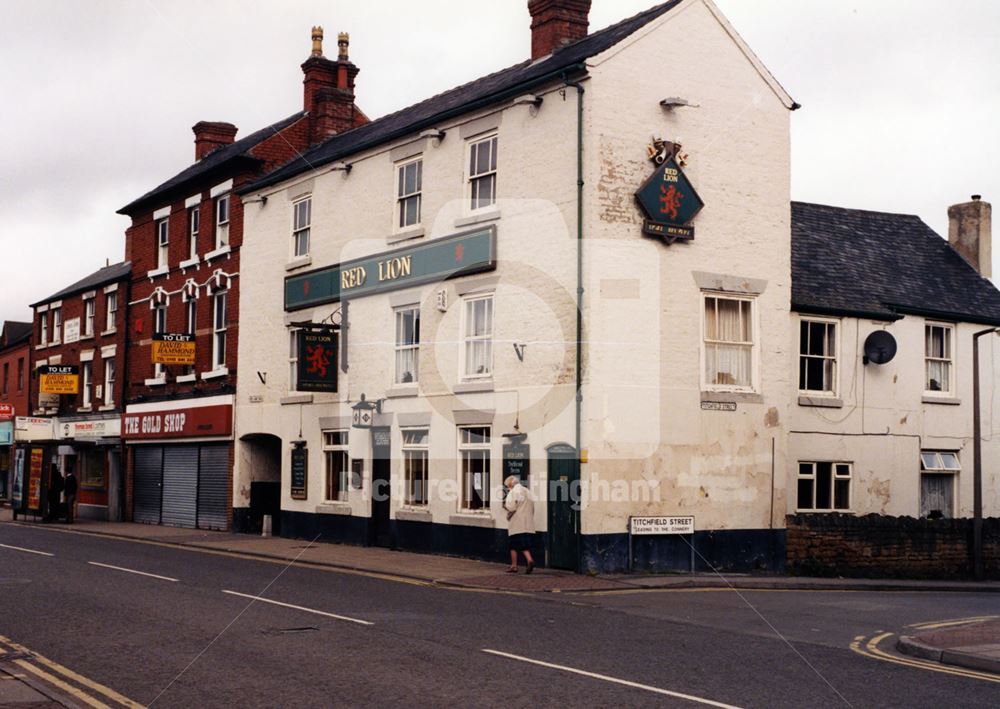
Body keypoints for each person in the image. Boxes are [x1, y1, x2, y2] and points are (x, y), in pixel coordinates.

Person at [503, 475, 535, 574]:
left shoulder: (513, 492)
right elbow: (532, 507)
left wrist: (505, 506)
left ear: (510, 485)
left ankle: (514, 566)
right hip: (527, 523)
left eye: (507, 486)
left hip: (517, 523)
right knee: (524, 544)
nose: (507, 488)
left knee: (513, 545)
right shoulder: (527, 491)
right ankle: (528, 560)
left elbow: (511, 507)